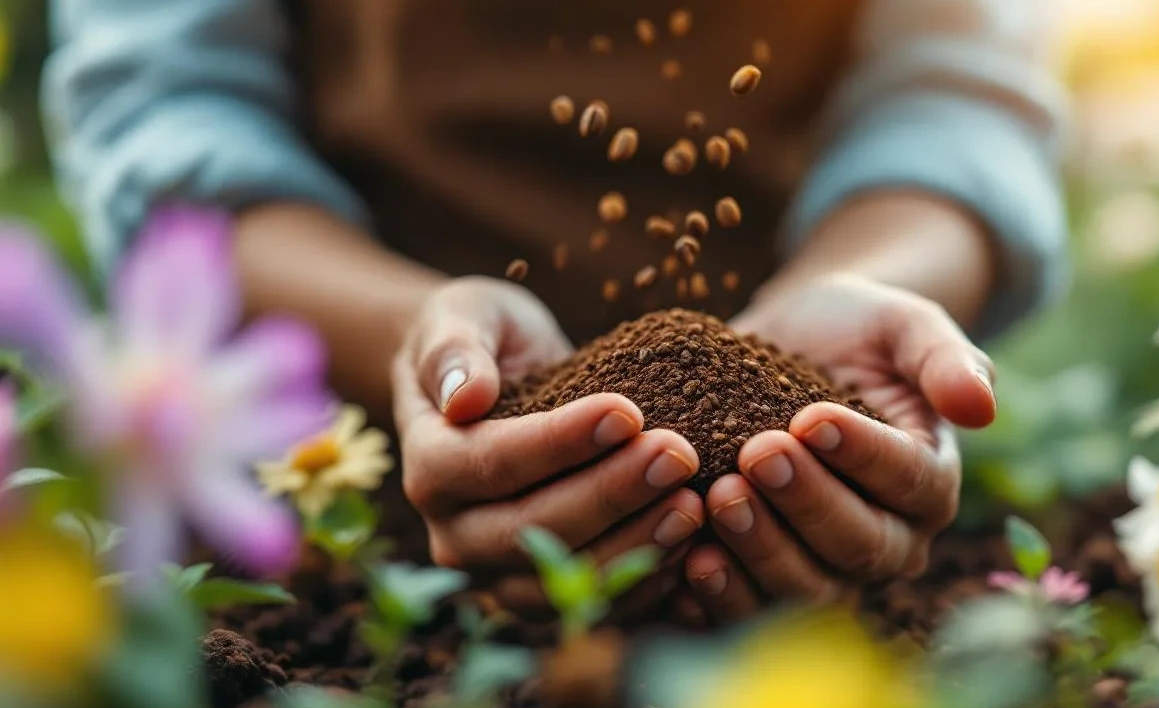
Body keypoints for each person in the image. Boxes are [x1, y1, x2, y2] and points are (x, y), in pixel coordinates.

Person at [43, 0, 1067, 624]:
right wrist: (411, 335)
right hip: (332, 498)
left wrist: (870, 277)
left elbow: (953, 91)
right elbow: (167, 105)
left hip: (816, 496)